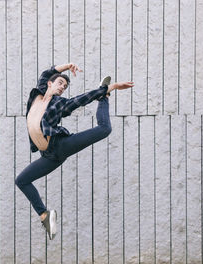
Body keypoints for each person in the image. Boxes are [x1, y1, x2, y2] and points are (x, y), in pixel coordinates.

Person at [15, 63, 134, 240]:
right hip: (48, 156)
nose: (63, 87)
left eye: (65, 86)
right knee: (22, 180)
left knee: (104, 129)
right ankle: (45, 216)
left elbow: (81, 99)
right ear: (49, 84)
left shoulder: (59, 104)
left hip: (61, 145)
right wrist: (67, 66)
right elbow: (48, 72)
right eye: (61, 83)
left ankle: (105, 98)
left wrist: (109, 88)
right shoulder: (37, 96)